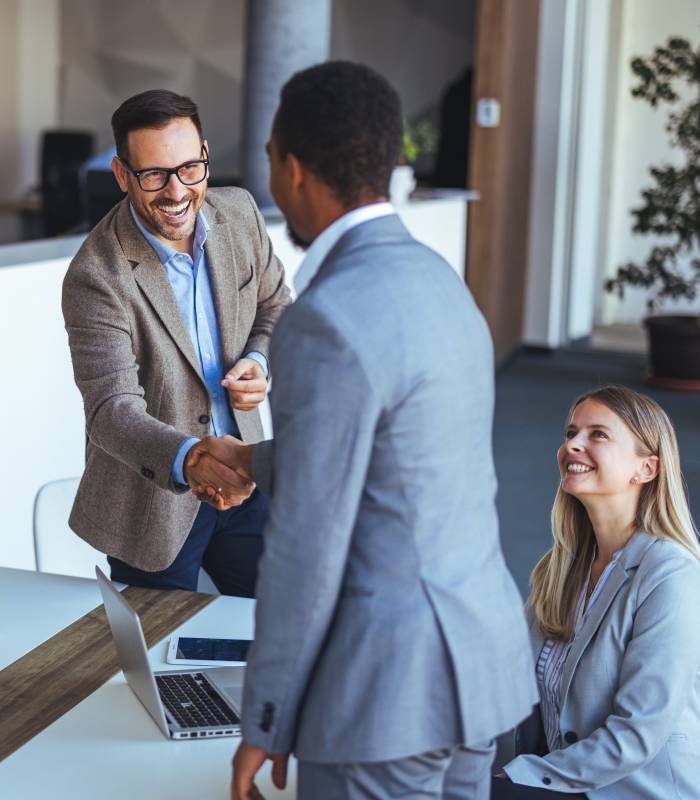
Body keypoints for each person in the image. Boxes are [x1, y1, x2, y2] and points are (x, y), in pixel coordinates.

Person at [190, 61, 537, 800]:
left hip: (385, 697)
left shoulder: (325, 318)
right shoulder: (441, 280)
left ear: (292, 167)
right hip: (479, 667)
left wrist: (266, 717)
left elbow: (307, 547)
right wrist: (253, 458)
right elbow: (402, 460)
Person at [62, 89, 291, 596]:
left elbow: (277, 305)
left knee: (276, 625)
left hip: (245, 473)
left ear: (205, 154)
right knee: (159, 663)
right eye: (153, 175)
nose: (176, 191)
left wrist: (259, 360)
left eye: (190, 168)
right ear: (122, 175)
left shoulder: (240, 215)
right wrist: (192, 458)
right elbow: (111, 410)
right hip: (150, 504)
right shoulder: (96, 275)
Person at [493, 385, 700, 799]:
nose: (573, 444)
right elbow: (509, 681)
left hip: (633, 789)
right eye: (571, 432)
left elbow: (637, 734)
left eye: (598, 435)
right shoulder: (562, 566)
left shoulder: (671, 574)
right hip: (565, 774)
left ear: (646, 469)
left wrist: (520, 775)